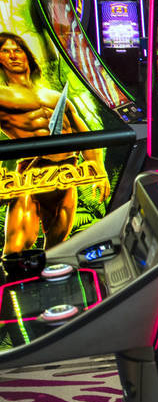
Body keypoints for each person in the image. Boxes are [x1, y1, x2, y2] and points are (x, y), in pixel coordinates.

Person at [0, 32, 109, 253]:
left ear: (27, 54)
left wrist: (100, 168)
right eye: (5, 51)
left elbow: (83, 134)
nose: (13, 55)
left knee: (56, 251)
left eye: (17, 49)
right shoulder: (3, 95)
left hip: (67, 175)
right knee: (16, 250)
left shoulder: (55, 96)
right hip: (33, 176)